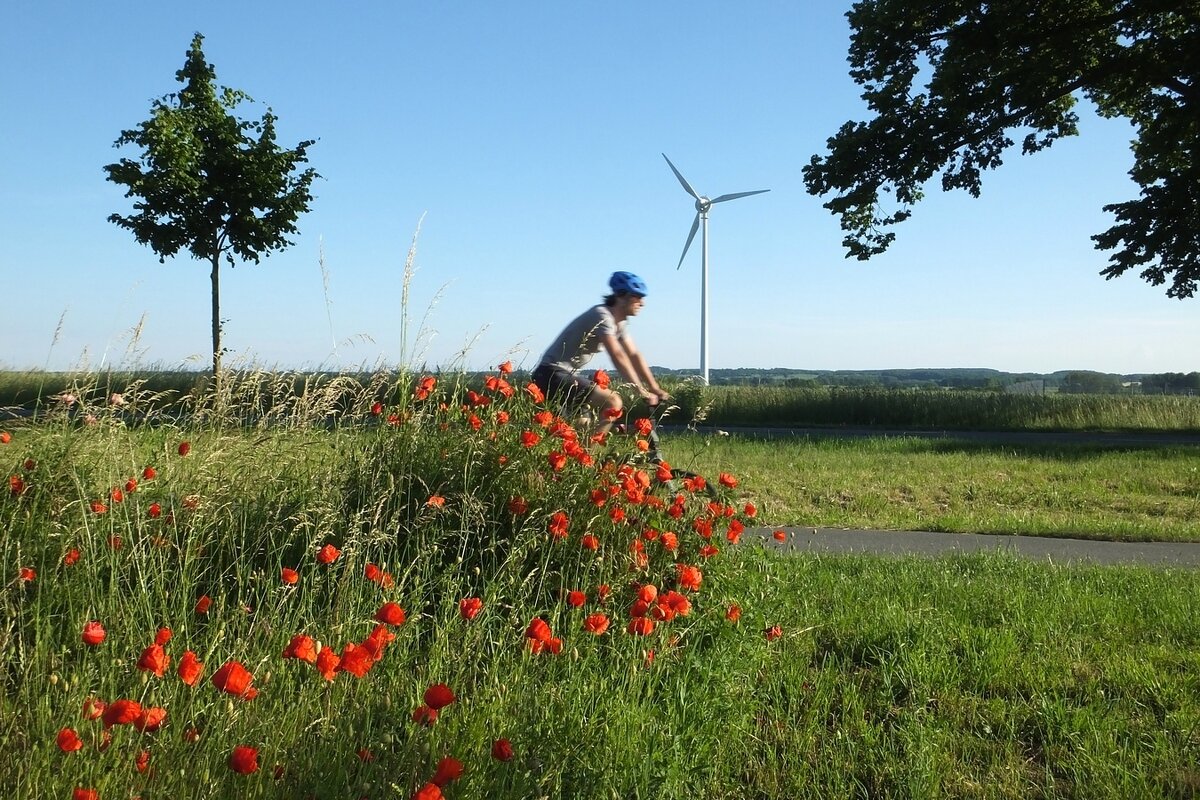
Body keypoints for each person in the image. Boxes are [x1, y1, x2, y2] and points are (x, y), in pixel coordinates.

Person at [532, 271, 670, 433]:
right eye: (638, 296)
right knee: (613, 402)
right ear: (621, 296)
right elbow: (617, 355)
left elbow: (634, 355)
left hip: (564, 375)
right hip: (552, 373)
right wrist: (639, 389)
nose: (642, 303)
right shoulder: (602, 316)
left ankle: (598, 446)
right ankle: (592, 455)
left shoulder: (620, 323)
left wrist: (654, 387)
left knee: (582, 429)